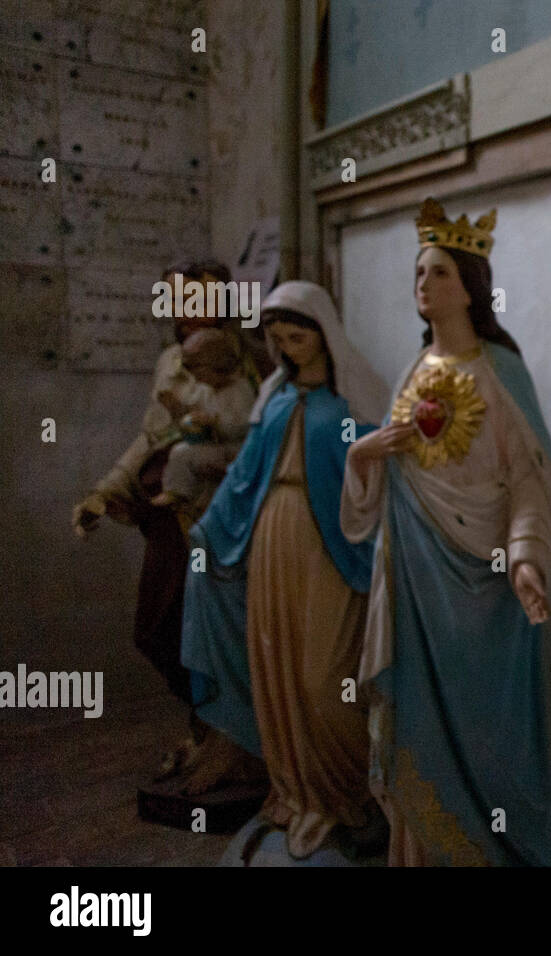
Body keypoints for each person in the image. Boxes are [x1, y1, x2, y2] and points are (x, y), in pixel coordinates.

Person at [340, 199, 551, 866]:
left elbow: (532, 480)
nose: (423, 284)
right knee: (418, 721)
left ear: (470, 284)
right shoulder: (414, 374)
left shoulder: (501, 372)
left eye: (438, 271)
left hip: (489, 590)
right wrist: (363, 459)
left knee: (491, 739)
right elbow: (384, 494)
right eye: (418, 273)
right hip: (415, 584)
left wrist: (528, 559)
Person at [180, 281, 391, 858]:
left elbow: (379, 476)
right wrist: (206, 533)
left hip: (331, 545)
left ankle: (343, 797)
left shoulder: (354, 400)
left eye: (298, 335)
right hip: (272, 538)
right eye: (277, 339)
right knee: (277, 671)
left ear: (323, 332)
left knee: (325, 680)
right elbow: (244, 476)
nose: (289, 348)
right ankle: (295, 794)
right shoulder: (273, 400)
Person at [72, 260, 262, 779]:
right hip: (168, 522)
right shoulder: (172, 363)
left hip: (225, 523)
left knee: (224, 634)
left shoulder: (254, 363)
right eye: (178, 304)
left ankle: (238, 743)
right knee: (157, 630)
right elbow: (151, 438)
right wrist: (107, 489)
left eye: (196, 302)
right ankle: (208, 725)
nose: (185, 315)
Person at [151, 329, 256, 513]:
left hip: (237, 451)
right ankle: (177, 492)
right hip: (214, 446)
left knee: (190, 455)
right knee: (180, 451)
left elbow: (243, 427)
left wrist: (214, 422)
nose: (195, 376)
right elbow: (191, 408)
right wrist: (176, 407)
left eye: (198, 368)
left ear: (218, 364)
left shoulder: (239, 390)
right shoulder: (204, 389)